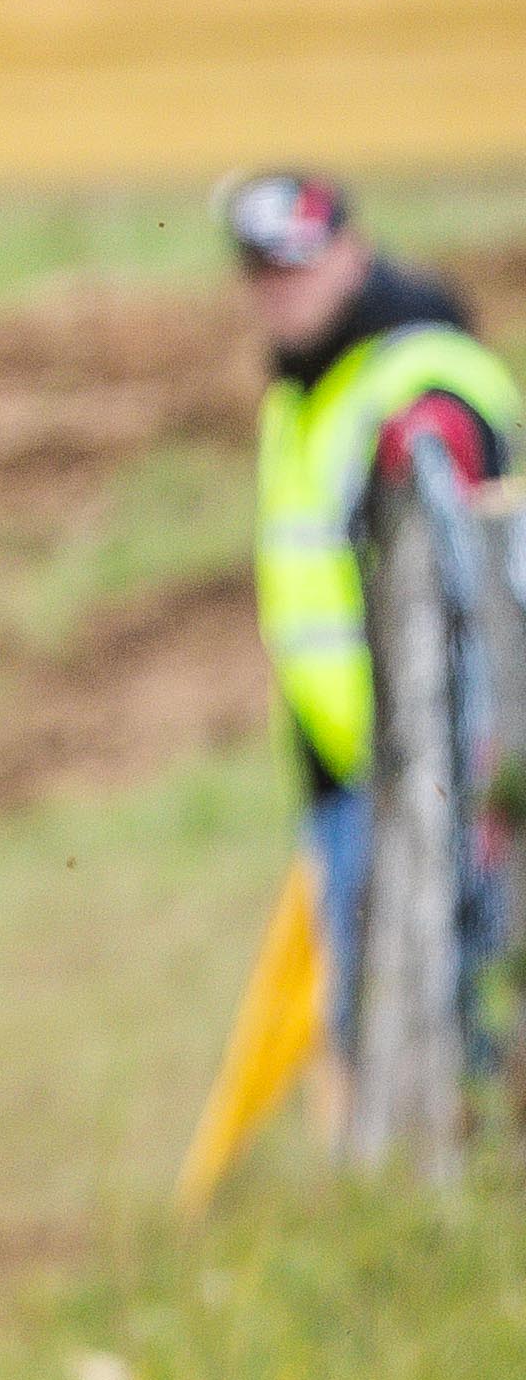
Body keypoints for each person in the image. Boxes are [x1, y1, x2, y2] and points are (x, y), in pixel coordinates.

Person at [220, 166, 524, 1067]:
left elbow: (477, 552)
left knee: (449, 1024)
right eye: (264, 273)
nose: (283, 293)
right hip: (348, 766)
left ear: (353, 252)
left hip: (448, 769)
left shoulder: (420, 373)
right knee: (377, 1028)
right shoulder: (302, 389)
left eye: (299, 266)